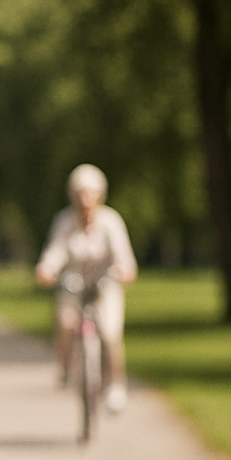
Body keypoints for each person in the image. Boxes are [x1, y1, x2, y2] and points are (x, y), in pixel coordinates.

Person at [34, 163, 138, 413]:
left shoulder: (111, 222)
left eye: (90, 194)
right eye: (80, 194)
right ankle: (65, 368)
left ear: (100, 195)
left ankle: (115, 385)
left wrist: (124, 271)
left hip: (105, 285)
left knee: (111, 333)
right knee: (66, 323)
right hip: (74, 284)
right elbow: (55, 252)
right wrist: (46, 270)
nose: (85, 200)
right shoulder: (65, 221)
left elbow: (124, 258)